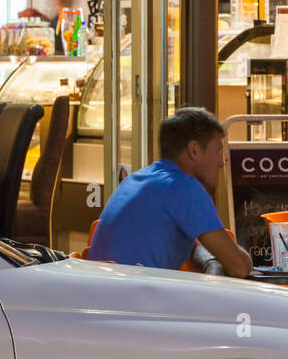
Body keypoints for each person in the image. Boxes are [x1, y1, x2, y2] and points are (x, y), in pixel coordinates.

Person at [88, 107, 252, 277]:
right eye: (218, 150)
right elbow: (238, 267)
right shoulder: (183, 187)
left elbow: (185, 243)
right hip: (130, 299)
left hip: (102, 292)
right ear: (194, 149)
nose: (221, 162)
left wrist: (210, 260)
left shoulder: (139, 179)